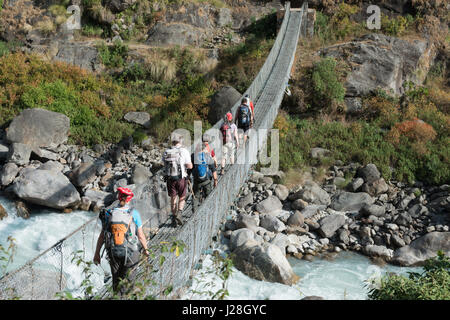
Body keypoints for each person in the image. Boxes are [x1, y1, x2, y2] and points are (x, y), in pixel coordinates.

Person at [93, 187, 149, 294]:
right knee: (129, 283)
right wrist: (146, 250)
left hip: (113, 252)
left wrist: (97, 254)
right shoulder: (134, 213)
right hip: (131, 253)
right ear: (129, 199)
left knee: (116, 282)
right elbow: (141, 236)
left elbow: (102, 236)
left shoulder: (109, 213)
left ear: (118, 198)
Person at [162, 132, 193, 227]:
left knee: (173, 199)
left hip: (170, 179)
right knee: (182, 196)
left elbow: (163, 164)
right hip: (181, 178)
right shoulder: (184, 151)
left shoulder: (167, 151)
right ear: (180, 141)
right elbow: (189, 166)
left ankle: (174, 217)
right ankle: (179, 212)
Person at [191, 140, 218, 208]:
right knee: (208, 195)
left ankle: (194, 210)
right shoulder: (207, 156)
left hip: (197, 181)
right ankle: (208, 208)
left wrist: (188, 176)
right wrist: (215, 181)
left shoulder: (193, 156)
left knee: (195, 196)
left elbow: (190, 168)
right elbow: (213, 170)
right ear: (203, 148)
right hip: (206, 180)